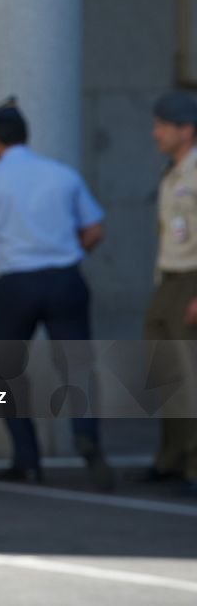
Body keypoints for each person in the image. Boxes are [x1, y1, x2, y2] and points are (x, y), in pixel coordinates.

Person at [0, 97, 112, 489]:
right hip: (65, 279)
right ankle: (87, 436)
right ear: (27, 135)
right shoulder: (63, 174)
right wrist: (65, 251)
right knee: (78, 365)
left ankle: (27, 458)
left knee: (7, 370)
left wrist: (4, 246)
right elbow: (94, 230)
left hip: (17, 284)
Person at [143, 91, 197, 497]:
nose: (155, 133)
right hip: (168, 279)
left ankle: (194, 463)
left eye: (163, 125)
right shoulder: (171, 173)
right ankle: (171, 457)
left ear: (186, 130)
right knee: (165, 375)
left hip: (192, 281)